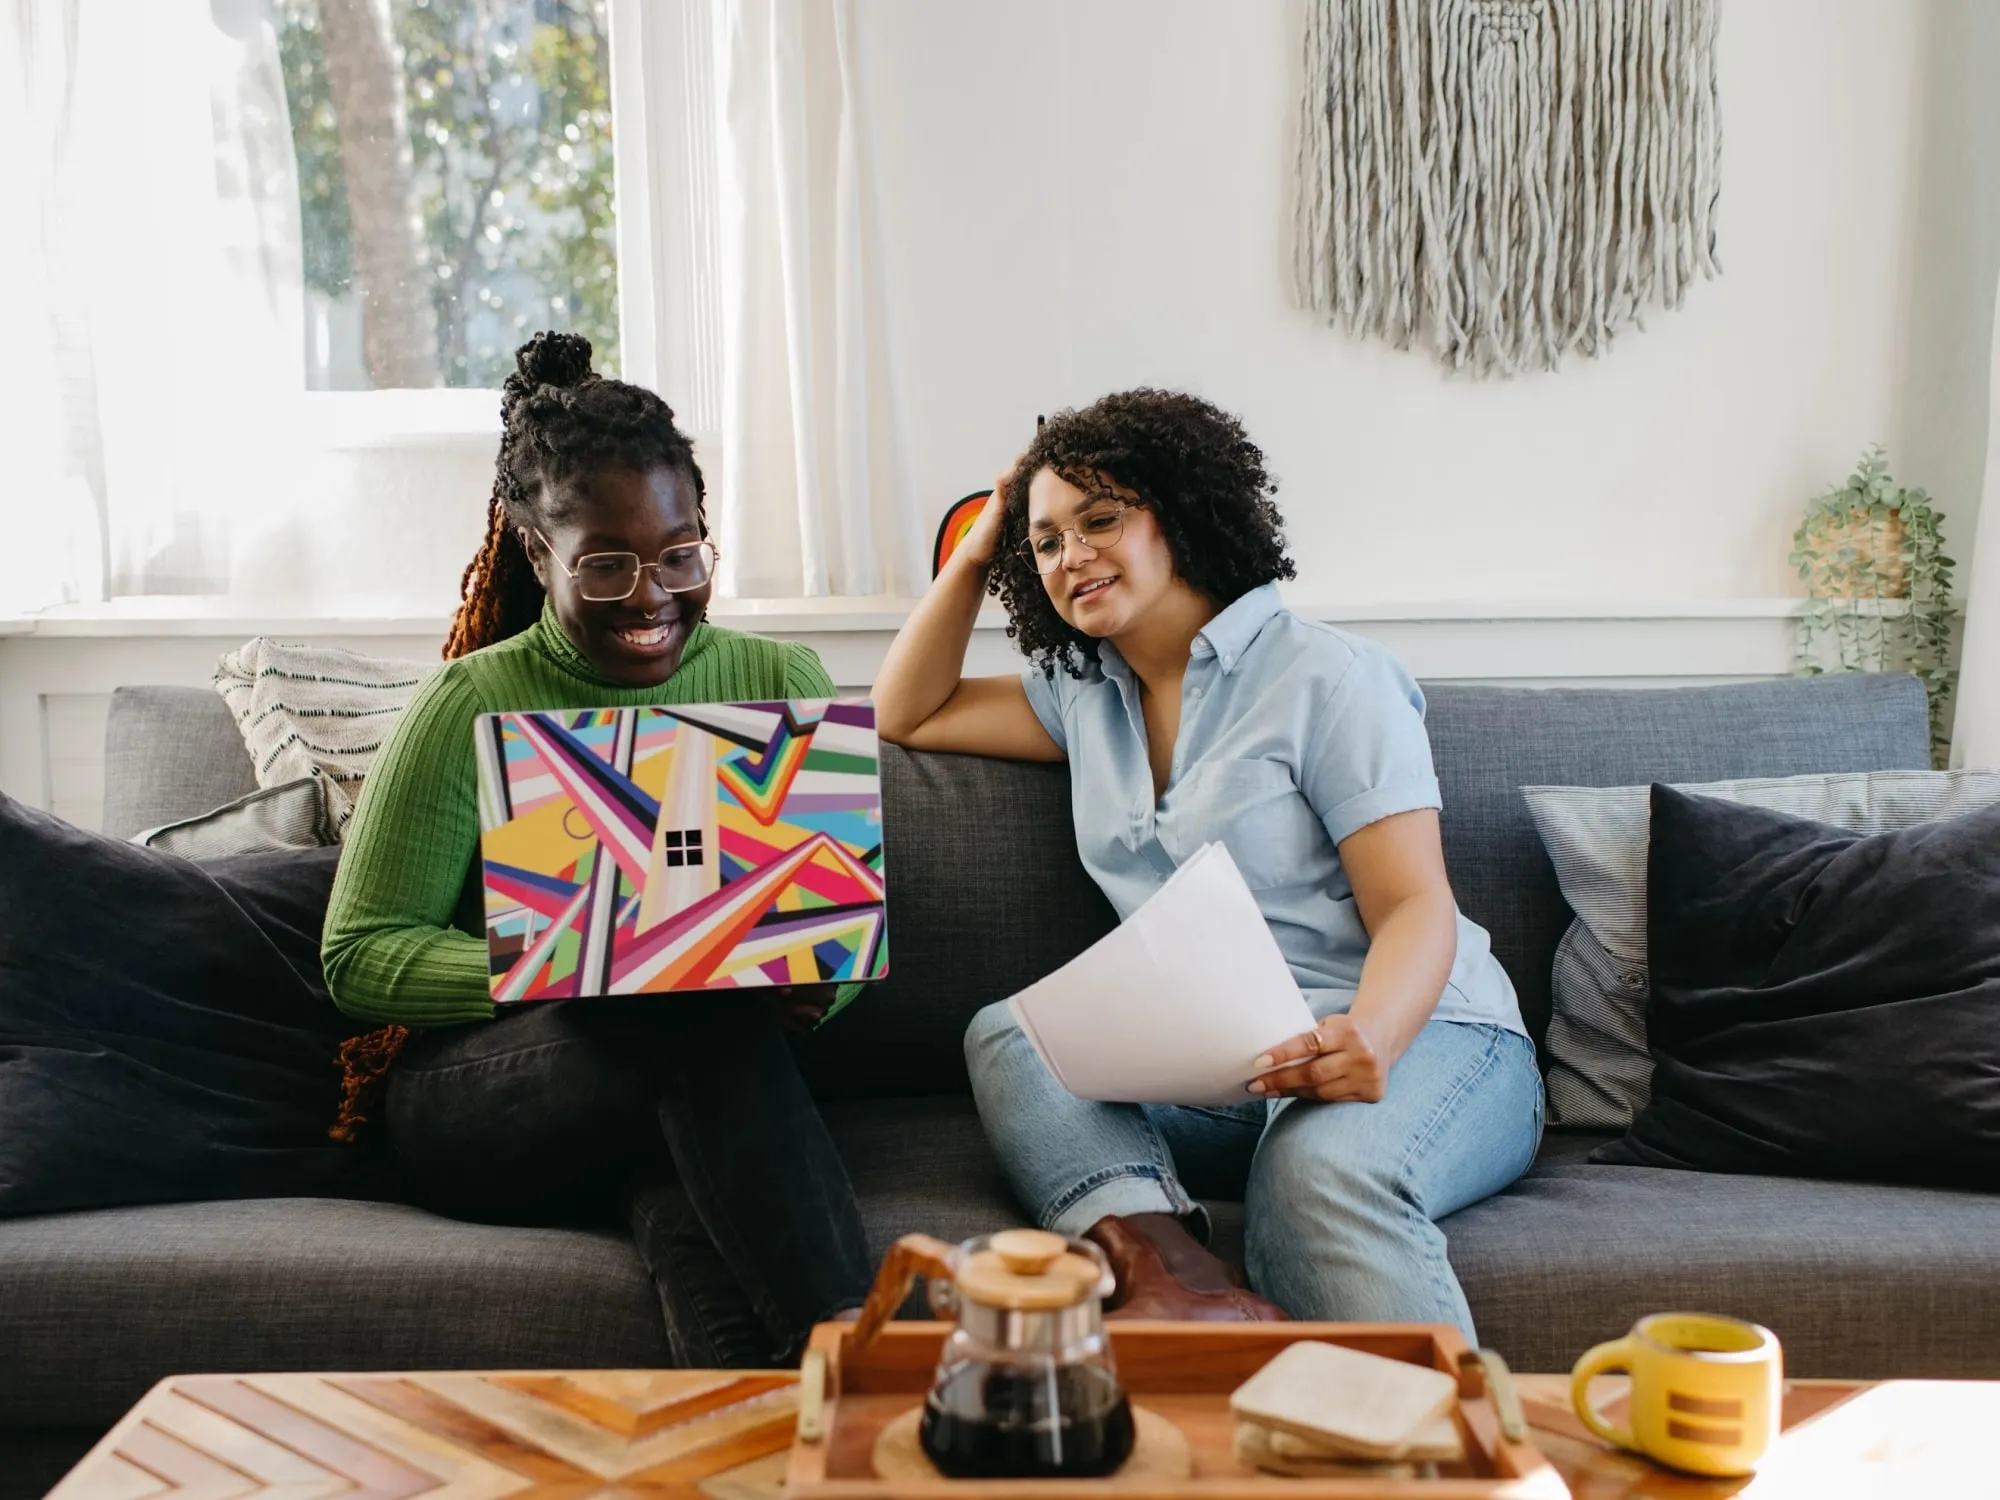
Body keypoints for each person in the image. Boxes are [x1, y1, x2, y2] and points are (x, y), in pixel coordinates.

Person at [872, 390, 1542, 1338]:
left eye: (1101, 518)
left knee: (1318, 1171)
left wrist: (1373, 1040)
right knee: (1013, 1037)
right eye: (1048, 542)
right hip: (1231, 1058)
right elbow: (909, 711)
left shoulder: (1328, 678)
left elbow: (1414, 906)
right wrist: (982, 546)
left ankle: (1445, 1469)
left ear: (1182, 513)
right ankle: (1176, 1289)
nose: (1072, 556)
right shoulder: (1083, 697)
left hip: (1427, 1039)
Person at [322, 332, 873, 1366]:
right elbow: (359, 954)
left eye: (680, 553)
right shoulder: (470, 701)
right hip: (487, 1100)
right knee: (680, 1005)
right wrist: (580, 965)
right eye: (607, 563)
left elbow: (834, 916)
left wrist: (813, 985)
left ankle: (773, 1437)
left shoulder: (779, 674)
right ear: (540, 557)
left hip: (705, 1088)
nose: (652, 593)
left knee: (687, 1173)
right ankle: (861, 1357)